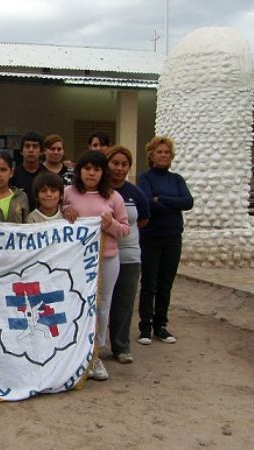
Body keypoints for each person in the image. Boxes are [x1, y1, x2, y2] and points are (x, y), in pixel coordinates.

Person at [63, 151, 129, 381]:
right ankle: (74, 351)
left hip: (106, 259)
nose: (91, 173)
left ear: (103, 173)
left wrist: (111, 225)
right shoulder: (67, 193)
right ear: (80, 170)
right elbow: (53, 219)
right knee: (75, 303)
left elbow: (124, 230)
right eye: (87, 168)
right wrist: (64, 211)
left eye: (97, 169)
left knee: (102, 304)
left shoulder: (114, 197)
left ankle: (95, 353)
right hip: (75, 259)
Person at [137, 136, 193, 345]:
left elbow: (187, 202)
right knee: (149, 283)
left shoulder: (177, 179)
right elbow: (147, 203)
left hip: (173, 237)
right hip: (151, 238)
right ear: (151, 155)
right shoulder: (145, 178)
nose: (163, 155)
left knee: (165, 283)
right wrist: (171, 204)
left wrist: (161, 199)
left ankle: (160, 325)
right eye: (159, 152)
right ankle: (145, 327)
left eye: (167, 152)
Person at [107, 146, 150, 364]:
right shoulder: (98, 191)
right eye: (115, 163)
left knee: (124, 302)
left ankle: (121, 346)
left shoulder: (136, 193)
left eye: (124, 164)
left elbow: (142, 220)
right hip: (101, 255)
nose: (119, 168)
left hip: (129, 255)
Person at [11, 131, 48, 210]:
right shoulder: (12, 176)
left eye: (35, 146)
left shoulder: (48, 176)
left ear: (41, 152)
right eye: (27, 146)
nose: (31, 150)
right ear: (21, 151)